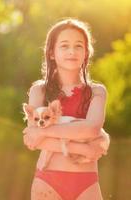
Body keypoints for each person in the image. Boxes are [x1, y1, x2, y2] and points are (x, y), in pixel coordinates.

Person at [23, 18, 110, 200]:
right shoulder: (39, 90)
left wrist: (44, 132)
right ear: (52, 52)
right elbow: (33, 139)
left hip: (87, 182)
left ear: (86, 53)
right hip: (47, 181)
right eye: (64, 46)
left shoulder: (96, 91)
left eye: (78, 46)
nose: (72, 51)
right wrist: (84, 149)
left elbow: (92, 128)